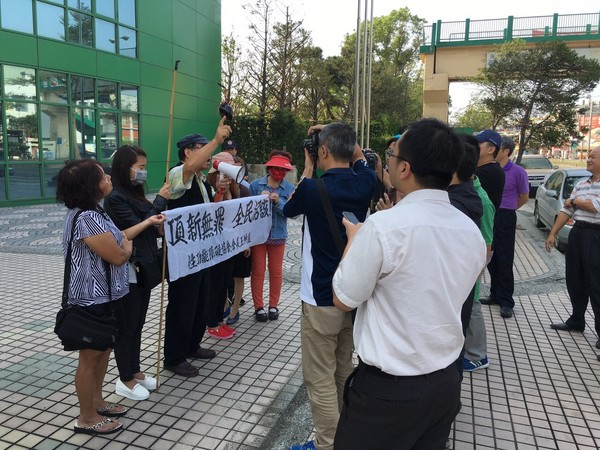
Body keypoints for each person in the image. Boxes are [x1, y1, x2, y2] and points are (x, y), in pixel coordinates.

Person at [331, 118, 486, 449]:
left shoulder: (384, 227)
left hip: (388, 393)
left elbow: (343, 299)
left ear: (404, 169)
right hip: (445, 383)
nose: (388, 160)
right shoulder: (470, 230)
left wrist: (353, 240)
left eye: (392, 154)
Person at [283, 123, 376, 450]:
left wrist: (308, 166)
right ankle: (343, 438)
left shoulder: (311, 189)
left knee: (319, 377)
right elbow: (360, 158)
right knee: (342, 369)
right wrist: (344, 137)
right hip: (352, 296)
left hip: (320, 299)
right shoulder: (366, 182)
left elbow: (288, 208)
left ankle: (327, 444)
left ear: (322, 151)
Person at [56, 159, 163, 435]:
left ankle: (97, 403)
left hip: (105, 297)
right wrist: (126, 250)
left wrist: (132, 235)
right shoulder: (87, 218)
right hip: (91, 300)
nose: (109, 178)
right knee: (90, 359)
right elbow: (117, 255)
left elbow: (118, 236)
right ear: (90, 186)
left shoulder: (93, 212)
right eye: (103, 176)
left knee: (102, 352)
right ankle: (86, 417)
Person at [163, 117, 231, 377]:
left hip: (200, 252)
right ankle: (174, 356)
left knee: (200, 301)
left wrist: (221, 193)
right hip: (183, 254)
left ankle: (192, 345)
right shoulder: (177, 173)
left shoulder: (201, 180)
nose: (209, 155)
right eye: (203, 149)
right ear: (188, 152)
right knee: (182, 303)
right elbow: (190, 167)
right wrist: (216, 139)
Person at [104, 145, 170, 400]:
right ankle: (125, 378)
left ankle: (135, 370)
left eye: (145, 167)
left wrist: (159, 224)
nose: (144, 172)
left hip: (144, 268)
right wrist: (160, 201)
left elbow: (150, 225)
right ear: (125, 168)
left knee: (139, 323)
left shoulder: (137, 194)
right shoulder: (115, 198)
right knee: (126, 326)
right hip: (127, 270)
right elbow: (134, 227)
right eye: (140, 168)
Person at [546, 147, 600, 353]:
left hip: (596, 235)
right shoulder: (581, 184)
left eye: (592, 157)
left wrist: (574, 201)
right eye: (588, 156)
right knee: (574, 279)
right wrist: (553, 233)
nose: (588, 160)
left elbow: (595, 207)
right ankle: (577, 320)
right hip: (578, 232)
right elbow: (566, 209)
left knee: (596, 283)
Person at [480, 138, 529, 319]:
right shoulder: (488, 170)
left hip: (505, 216)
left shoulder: (518, 171)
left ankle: (506, 301)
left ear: (506, 151)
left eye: (498, 148)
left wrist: (509, 209)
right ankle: (494, 293)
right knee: (491, 255)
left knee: (505, 258)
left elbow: (524, 197)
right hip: (490, 215)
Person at [462, 136, 496, 372]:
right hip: (469, 258)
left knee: (473, 303)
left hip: (477, 258)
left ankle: (477, 355)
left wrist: (476, 270)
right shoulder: (467, 192)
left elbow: (487, 244)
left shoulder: (481, 200)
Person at [249, 150, 295, 322]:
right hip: (258, 236)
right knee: (258, 270)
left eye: (283, 169)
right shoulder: (255, 185)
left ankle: (273, 305)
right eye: (276, 168)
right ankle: (258, 307)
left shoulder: (289, 188)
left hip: (278, 234)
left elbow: (292, 213)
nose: (279, 172)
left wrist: (278, 202)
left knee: (276, 271)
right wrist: (257, 200)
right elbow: (247, 212)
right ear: (269, 168)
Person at [204, 151, 239, 340]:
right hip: (214, 246)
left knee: (224, 284)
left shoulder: (234, 190)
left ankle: (220, 320)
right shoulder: (209, 189)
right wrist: (219, 192)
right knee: (215, 285)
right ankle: (212, 323)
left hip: (228, 246)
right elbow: (211, 214)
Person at [226, 155, 252, 324]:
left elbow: (249, 220)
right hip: (224, 242)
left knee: (238, 276)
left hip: (241, 241)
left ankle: (235, 310)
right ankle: (224, 307)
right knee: (223, 275)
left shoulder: (246, 190)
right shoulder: (217, 189)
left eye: (237, 168)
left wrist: (246, 242)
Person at [474, 129, 505, 211]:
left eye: (478, 143)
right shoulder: (488, 168)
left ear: (491, 149)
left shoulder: (491, 172)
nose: (473, 146)